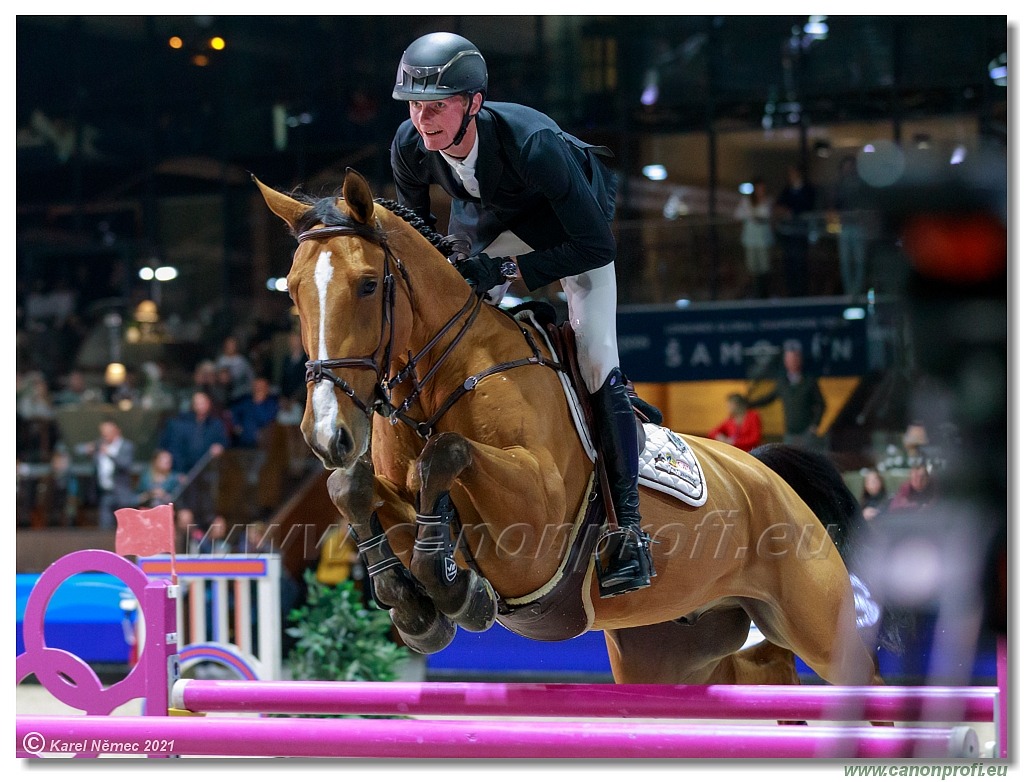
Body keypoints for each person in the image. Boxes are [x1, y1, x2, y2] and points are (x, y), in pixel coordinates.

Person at [389, 32, 650, 597]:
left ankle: (629, 532)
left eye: (437, 106)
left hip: (571, 233)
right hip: (485, 230)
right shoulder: (410, 145)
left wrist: (506, 273)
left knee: (596, 355)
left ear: (474, 104)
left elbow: (596, 245)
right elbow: (420, 243)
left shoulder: (535, 145)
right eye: (415, 105)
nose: (423, 119)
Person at [158, 391, 229, 526]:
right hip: (186, 471)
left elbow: (223, 441)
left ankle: (203, 530)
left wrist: (219, 447)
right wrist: (179, 470)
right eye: (197, 403)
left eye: (203, 403)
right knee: (185, 504)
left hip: (206, 471)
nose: (200, 406)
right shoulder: (182, 423)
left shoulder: (215, 424)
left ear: (208, 404)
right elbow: (176, 447)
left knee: (205, 504)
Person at [748, 340, 825, 450]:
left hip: (806, 433)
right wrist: (748, 404)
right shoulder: (782, 383)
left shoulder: (809, 381)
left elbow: (821, 404)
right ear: (785, 361)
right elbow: (769, 398)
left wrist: (815, 425)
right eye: (789, 359)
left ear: (799, 360)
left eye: (794, 359)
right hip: (789, 432)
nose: (792, 362)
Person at [828, 154, 871, 298]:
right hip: (844, 227)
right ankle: (849, 292)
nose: (848, 169)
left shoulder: (861, 186)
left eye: (851, 166)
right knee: (845, 261)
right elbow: (833, 207)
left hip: (858, 227)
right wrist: (834, 229)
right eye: (846, 166)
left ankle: (857, 291)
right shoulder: (838, 186)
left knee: (859, 260)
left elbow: (866, 205)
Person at [82, 419, 137, 530]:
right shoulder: (99, 445)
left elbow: (125, 465)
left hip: (122, 494)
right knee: (105, 527)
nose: (104, 435)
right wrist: (88, 450)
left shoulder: (126, 446)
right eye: (103, 432)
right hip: (105, 493)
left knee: (124, 528)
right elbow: (79, 449)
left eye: (108, 432)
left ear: (116, 431)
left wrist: (110, 454)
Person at [773, 165, 818, 297]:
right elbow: (780, 205)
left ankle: (802, 292)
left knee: (800, 263)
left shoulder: (808, 190)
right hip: (788, 234)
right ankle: (791, 292)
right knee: (789, 263)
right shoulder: (786, 191)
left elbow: (808, 207)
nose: (791, 176)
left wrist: (793, 211)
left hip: (801, 233)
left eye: (793, 173)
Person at [733, 177, 774, 298]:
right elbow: (737, 215)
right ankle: (754, 293)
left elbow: (766, 215)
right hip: (751, 240)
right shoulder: (746, 201)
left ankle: (763, 294)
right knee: (752, 268)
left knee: (764, 268)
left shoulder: (768, 201)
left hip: (764, 240)